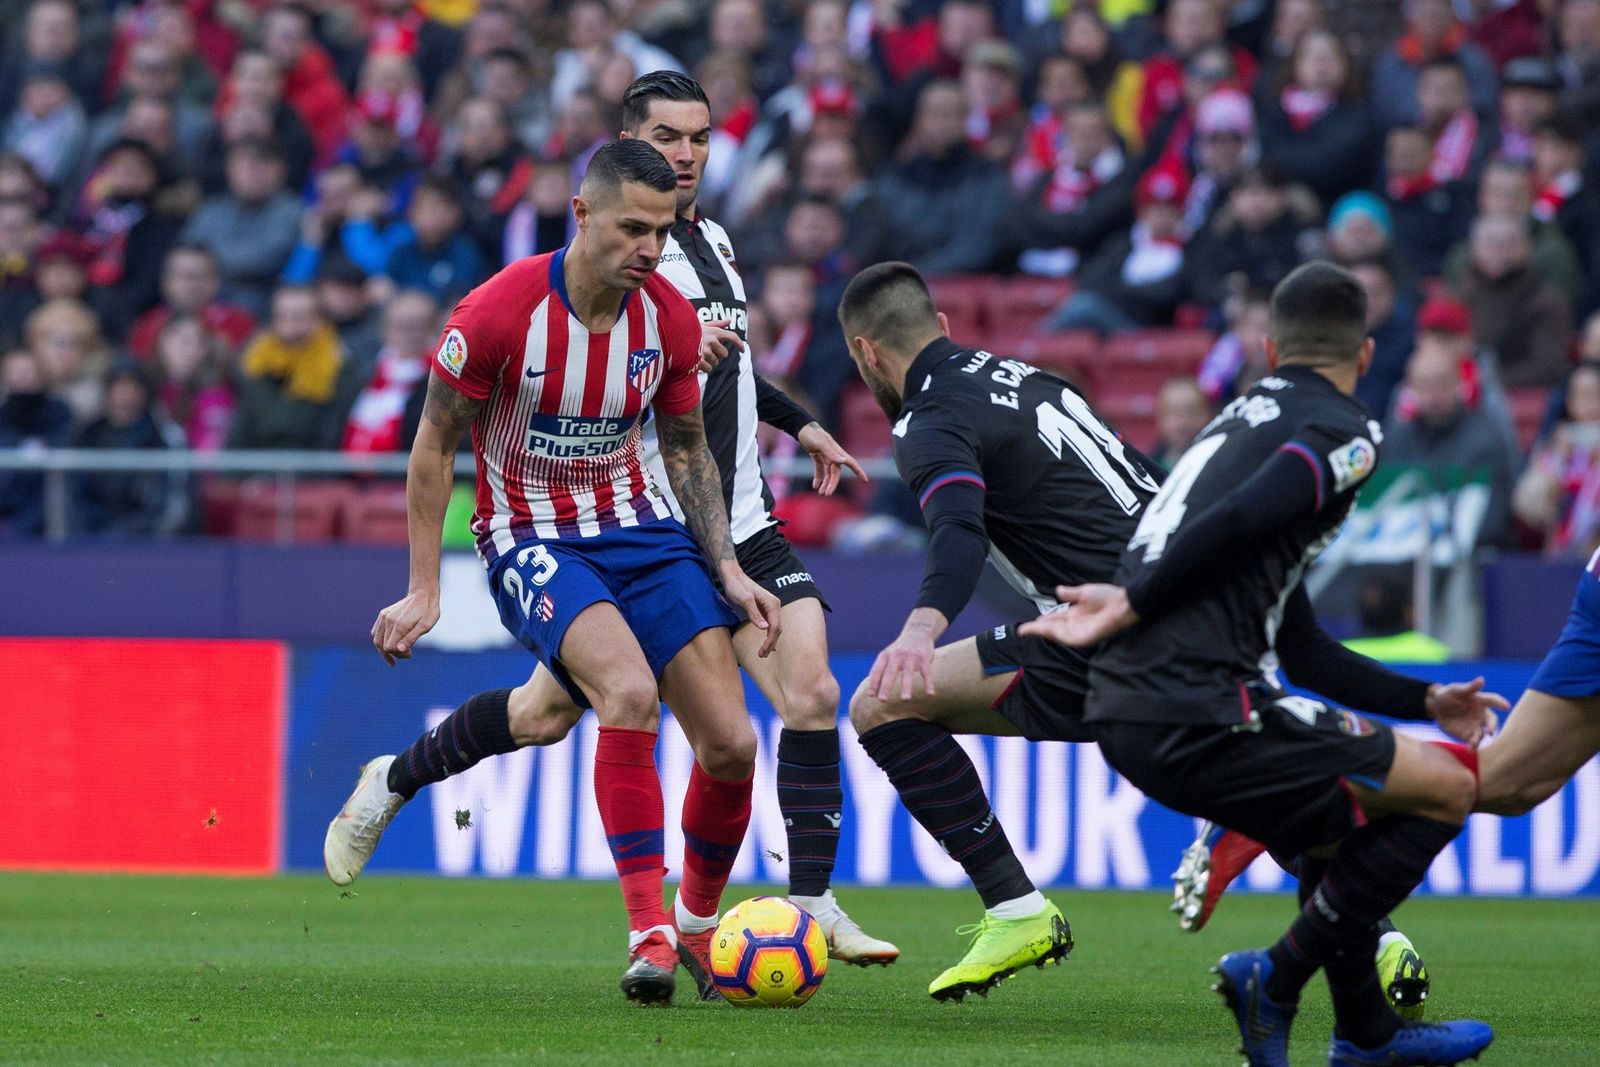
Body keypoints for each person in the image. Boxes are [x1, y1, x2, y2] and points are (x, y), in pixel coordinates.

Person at [323, 71, 896, 975]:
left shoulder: (670, 311)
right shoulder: (498, 311)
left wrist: (730, 566)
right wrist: (424, 585)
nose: (647, 247)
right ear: (583, 214)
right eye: (632, 229)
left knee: (722, 738)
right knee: (625, 695)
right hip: (530, 535)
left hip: (643, 526)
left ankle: (696, 924)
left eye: (659, 232)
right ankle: (652, 937)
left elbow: (686, 451)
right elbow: (434, 446)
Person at [1023, 262, 1503, 1067]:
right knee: (1450, 785)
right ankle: (1274, 980)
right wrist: (1135, 601)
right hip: (1198, 702)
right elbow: (1251, 513)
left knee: (1331, 833)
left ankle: (1366, 1035)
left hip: (1130, 704)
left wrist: (1426, 698)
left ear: (1269, 345)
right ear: (1367, 351)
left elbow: (1303, 644)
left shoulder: (1234, 422)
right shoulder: (1345, 429)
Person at [834, 260, 1163, 1000]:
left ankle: (1016, 908)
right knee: (1231, 771)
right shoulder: (1035, 380)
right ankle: (1376, 937)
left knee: (879, 703)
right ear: (943, 328)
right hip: (1177, 606)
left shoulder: (929, 419)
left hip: (1097, 633)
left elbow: (957, 532)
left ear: (868, 355)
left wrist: (921, 628)